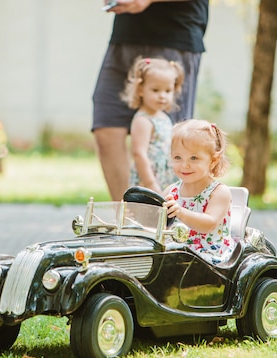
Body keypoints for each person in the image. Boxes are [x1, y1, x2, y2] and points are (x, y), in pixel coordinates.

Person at [93, 0, 210, 201]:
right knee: (106, 128)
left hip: (175, 34)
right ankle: (127, 217)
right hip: (126, 34)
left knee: (173, 141)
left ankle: (168, 218)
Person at [163, 119, 235, 264]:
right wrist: (138, 214)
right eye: (178, 157)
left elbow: (208, 224)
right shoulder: (172, 190)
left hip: (209, 254)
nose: (185, 165)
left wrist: (180, 212)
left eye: (194, 158)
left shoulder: (219, 192)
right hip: (178, 251)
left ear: (213, 160)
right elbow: (156, 222)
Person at [120, 56, 184, 192]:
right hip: (149, 176)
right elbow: (139, 153)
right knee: (148, 210)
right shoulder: (143, 120)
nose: (162, 96)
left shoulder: (164, 117)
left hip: (166, 175)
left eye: (168, 91)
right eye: (155, 90)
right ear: (141, 90)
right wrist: (150, 183)